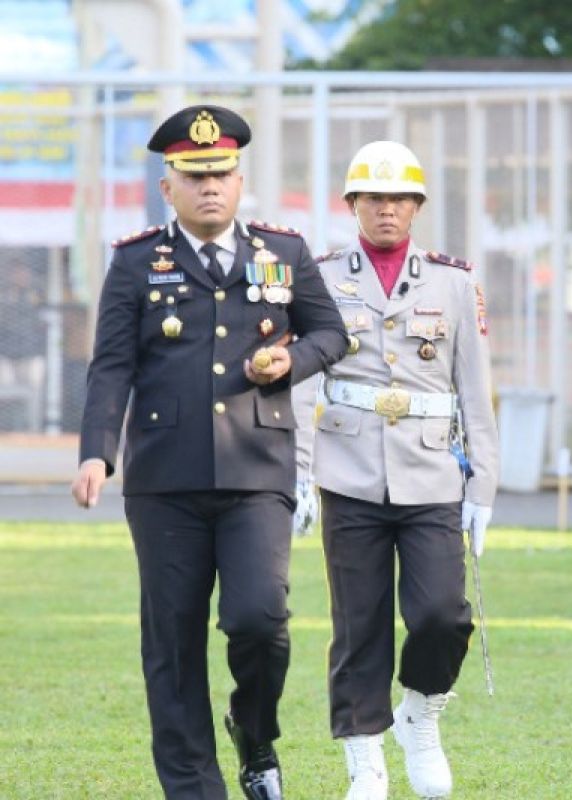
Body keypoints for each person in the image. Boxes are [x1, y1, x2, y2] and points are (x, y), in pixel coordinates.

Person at [71, 104, 349, 799]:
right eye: (194, 177)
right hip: (165, 480)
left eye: (221, 174)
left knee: (259, 617)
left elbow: (332, 335)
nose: (210, 187)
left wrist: (290, 362)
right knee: (172, 641)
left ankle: (254, 732)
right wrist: (97, 452)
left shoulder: (282, 252)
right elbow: (110, 366)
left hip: (258, 470)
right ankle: (194, 788)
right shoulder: (136, 263)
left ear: (240, 179)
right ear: (169, 186)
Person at [292, 141, 499, 800]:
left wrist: (484, 486)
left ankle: (421, 714)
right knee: (359, 623)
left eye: (399, 198)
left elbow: (476, 390)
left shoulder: (454, 282)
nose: (387, 209)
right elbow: (300, 384)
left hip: (432, 469)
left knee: (443, 613)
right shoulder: (320, 276)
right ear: (353, 205)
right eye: (373, 198)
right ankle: (365, 760)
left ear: (416, 206)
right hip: (348, 469)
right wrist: (298, 472)